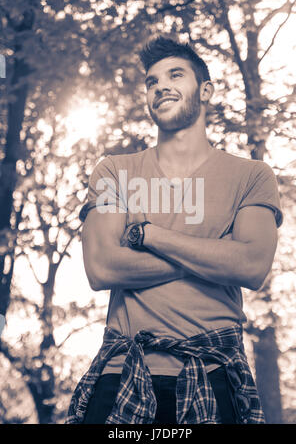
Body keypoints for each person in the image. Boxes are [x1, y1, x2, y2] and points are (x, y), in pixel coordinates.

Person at [66, 36, 283, 425]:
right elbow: (101, 268)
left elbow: (251, 267)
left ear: (206, 90)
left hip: (216, 374)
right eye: (151, 81)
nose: (160, 86)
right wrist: (216, 253)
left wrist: (149, 235)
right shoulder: (115, 170)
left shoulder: (251, 175)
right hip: (122, 373)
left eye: (175, 74)